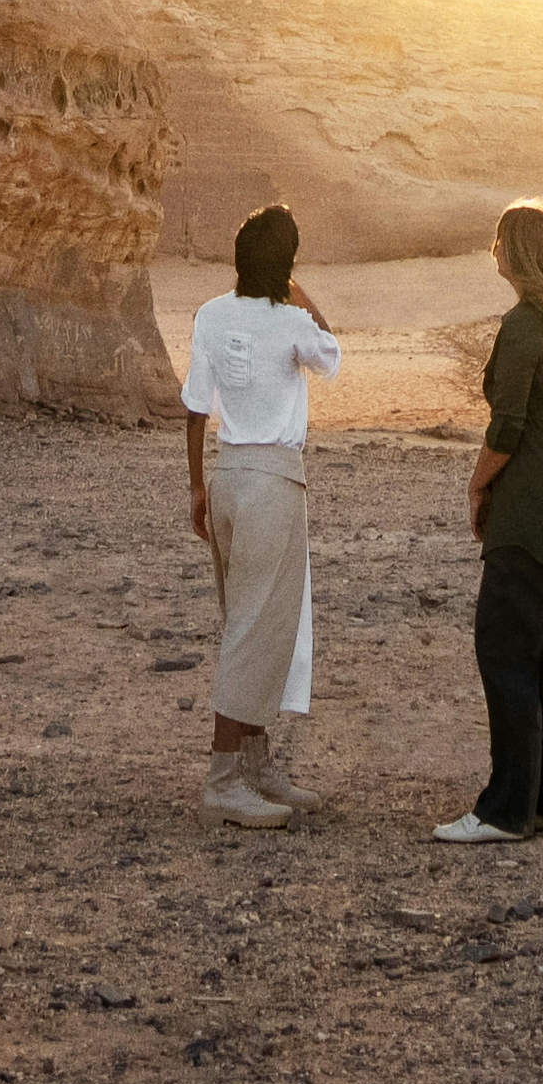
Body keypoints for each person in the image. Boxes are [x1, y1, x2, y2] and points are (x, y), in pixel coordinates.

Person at [441, 195, 543, 841]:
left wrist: (477, 485)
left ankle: (505, 809)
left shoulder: (523, 326)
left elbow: (506, 428)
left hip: (532, 499)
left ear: (520, 254)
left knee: (504, 646)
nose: (494, 251)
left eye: (501, 241)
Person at [176, 202, 341, 823]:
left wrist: (197, 487)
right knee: (255, 628)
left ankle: (254, 764)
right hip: (274, 482)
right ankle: (223, 779)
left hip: (226, 477)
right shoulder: (291, 320)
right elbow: (331, 353)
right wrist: (296, 289)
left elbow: (195, 408)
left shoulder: (211, 314)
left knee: (248, 619)